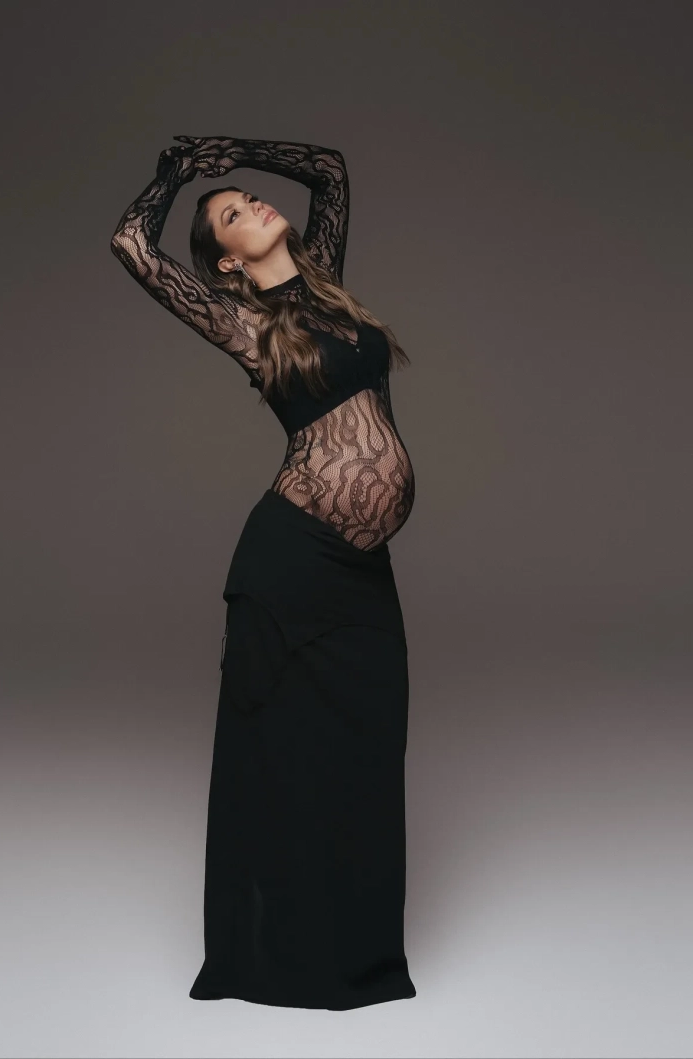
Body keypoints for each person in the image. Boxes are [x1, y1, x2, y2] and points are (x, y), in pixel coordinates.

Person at [110, 136, 417, 1010]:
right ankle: (266, 955)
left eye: (245, 199)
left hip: (360, 568)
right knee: (278, 753)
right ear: (228, 262)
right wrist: (176, 177)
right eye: (231, 216)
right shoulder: (244, 322)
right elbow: (132, 245)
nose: (249, 205)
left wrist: (230, 152)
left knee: (368, 741)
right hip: (291, 558)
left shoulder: (323, 284)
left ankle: (357, 953)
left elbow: (330, 170)